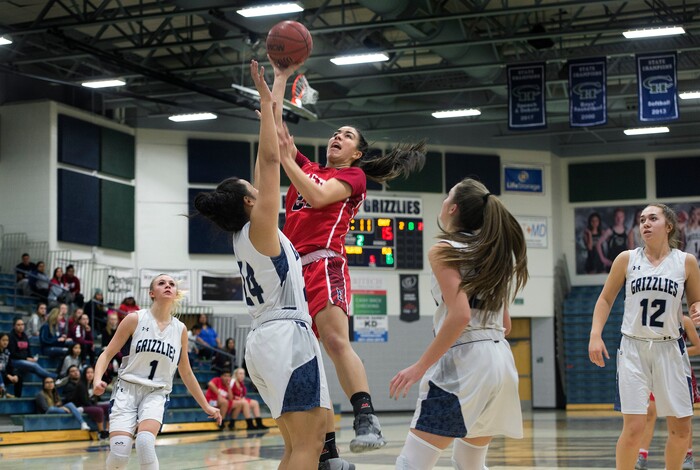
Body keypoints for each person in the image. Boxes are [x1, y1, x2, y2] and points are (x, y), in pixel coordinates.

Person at [269, 56, 426, 455]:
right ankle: (328, 447)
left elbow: (319, 196)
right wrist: (279, 79)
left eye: (347, 136)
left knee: (337, 342)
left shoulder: (351, 178)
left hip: (324, 263)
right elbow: (274, 131)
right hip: (289, 274)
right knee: (305, 360)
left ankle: (367, 417)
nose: (337, 137)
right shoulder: (309, 167)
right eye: (335, 133)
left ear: (357, 153)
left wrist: (288, 159)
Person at [194, 60, 334, 470]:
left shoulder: (248, 235)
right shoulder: (259, 228)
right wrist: (265, 100)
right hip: (285, 339)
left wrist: (277, 88)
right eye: (254, 189)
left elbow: (263, 165)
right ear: (250, 202)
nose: (260, 185)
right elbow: (270, 164)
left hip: (268, 341)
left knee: (301, 444)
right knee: (308, 446)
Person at [389, 178, 528, 469]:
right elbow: (506, 325)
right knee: (471, 464)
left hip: (466, 365)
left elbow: (461, 315)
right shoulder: (493, 254)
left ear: (453, 208)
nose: (442, 202)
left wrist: (419, 367)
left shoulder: (444, 250)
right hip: (501, 361)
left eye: (446, 196)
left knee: (411, 464)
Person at [589, 203, 700, 470]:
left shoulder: (685, 261)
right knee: (634, 428)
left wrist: (698, 311)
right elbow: (605, 299)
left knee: (681, 429)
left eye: (653, 218)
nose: (645, 224)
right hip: (634, 348)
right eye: (641, 220)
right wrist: (595, 334)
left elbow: (696, 302)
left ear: (669, 225)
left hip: (670, 348)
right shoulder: (626, 259)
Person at [92, 273, 221, 470]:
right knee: (119, 456)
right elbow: (106, 354)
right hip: (126, 390)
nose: (168, 286)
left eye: (171, 284)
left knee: (144, 443)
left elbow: (186, 372)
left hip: (156, 393)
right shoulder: (135, 319)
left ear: (176, 292)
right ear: (152, 292)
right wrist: (97, 380)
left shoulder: (180, 330)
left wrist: (206, 406)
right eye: (162, 283)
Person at [635, 314, 700, 470]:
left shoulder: (685, 321)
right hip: (655, 369)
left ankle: (687, 455)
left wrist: (677, 353)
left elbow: (698, 347)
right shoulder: (650, 320)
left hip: (679, 370)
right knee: (650, 412)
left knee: (682, 415)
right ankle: (642, 455)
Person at [9, 316, 56, 397]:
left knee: (34, 367)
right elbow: (12, 353)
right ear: (14, 326)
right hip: (14, 360)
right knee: (34, 366)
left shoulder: (24, 336)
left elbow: (28, 350)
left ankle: (50, 383)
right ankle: (54, 377)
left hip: (25, 360)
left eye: (22, 324)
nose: (21, 327)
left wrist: (31, 358)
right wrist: (26, 358)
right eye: (18, 325)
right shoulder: (11, 337)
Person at [63, 365, 110, 439]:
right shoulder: (81, 385)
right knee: (99, 410)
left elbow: (97, 399)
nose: (90, 374)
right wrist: (95, 405)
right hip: (81, 406)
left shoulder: (93, 385)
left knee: (108, 406)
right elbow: (84, 401)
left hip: (90, 405)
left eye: (92, 372)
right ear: (84, 374)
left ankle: (107, 430)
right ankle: (101, 432)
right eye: (88, 372)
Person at [597, 207, 628, 272]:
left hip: (623, 264)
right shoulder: (609, 231)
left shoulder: (627, 231)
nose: (619, 219)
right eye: (617, 217)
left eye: (621, 217)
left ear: (624, 218)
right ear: (614, 217)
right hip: (612, 263)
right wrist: (603, 259)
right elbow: (598, 244)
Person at [0, 332, 19, 398]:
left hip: (4, 374)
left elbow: (10, 366)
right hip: (2, 374)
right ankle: (3, 393)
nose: (5, 342)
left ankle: (17, 397)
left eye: (7, 340)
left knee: (19, 377)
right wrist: (8, 375)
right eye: (3, 340)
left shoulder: (7, 352)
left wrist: (15, 375)